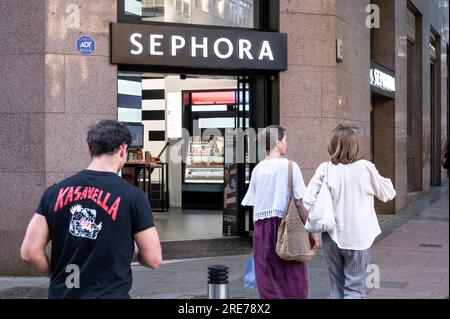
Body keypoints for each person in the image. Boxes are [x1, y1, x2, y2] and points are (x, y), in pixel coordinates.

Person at [20, 120, 162, 299]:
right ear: (123, 150)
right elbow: (154, 259)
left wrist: (55, 274)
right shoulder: (133, 197)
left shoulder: (54, 192)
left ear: (89, 150)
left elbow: (29, 252)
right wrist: (135, 251)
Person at [303, 124, 396, 299]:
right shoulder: (366, 168)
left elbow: (307, 201)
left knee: (336, 289)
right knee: (355, 290)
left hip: (331, 236)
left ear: (332, 145)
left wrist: (309, 229)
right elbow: (388, 193)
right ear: (355, 145)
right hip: (359, 238)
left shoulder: (325, 168)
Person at [241, 125, 320, 299]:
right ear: (277, 143)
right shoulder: (291, 167)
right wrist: (312, 230)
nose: (287, 144)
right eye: (285, 140)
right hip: (287, 229)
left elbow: (254, 205)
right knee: (293, 276)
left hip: (262, 230)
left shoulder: (257, 170)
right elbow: (300, 203)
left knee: (267, 277)